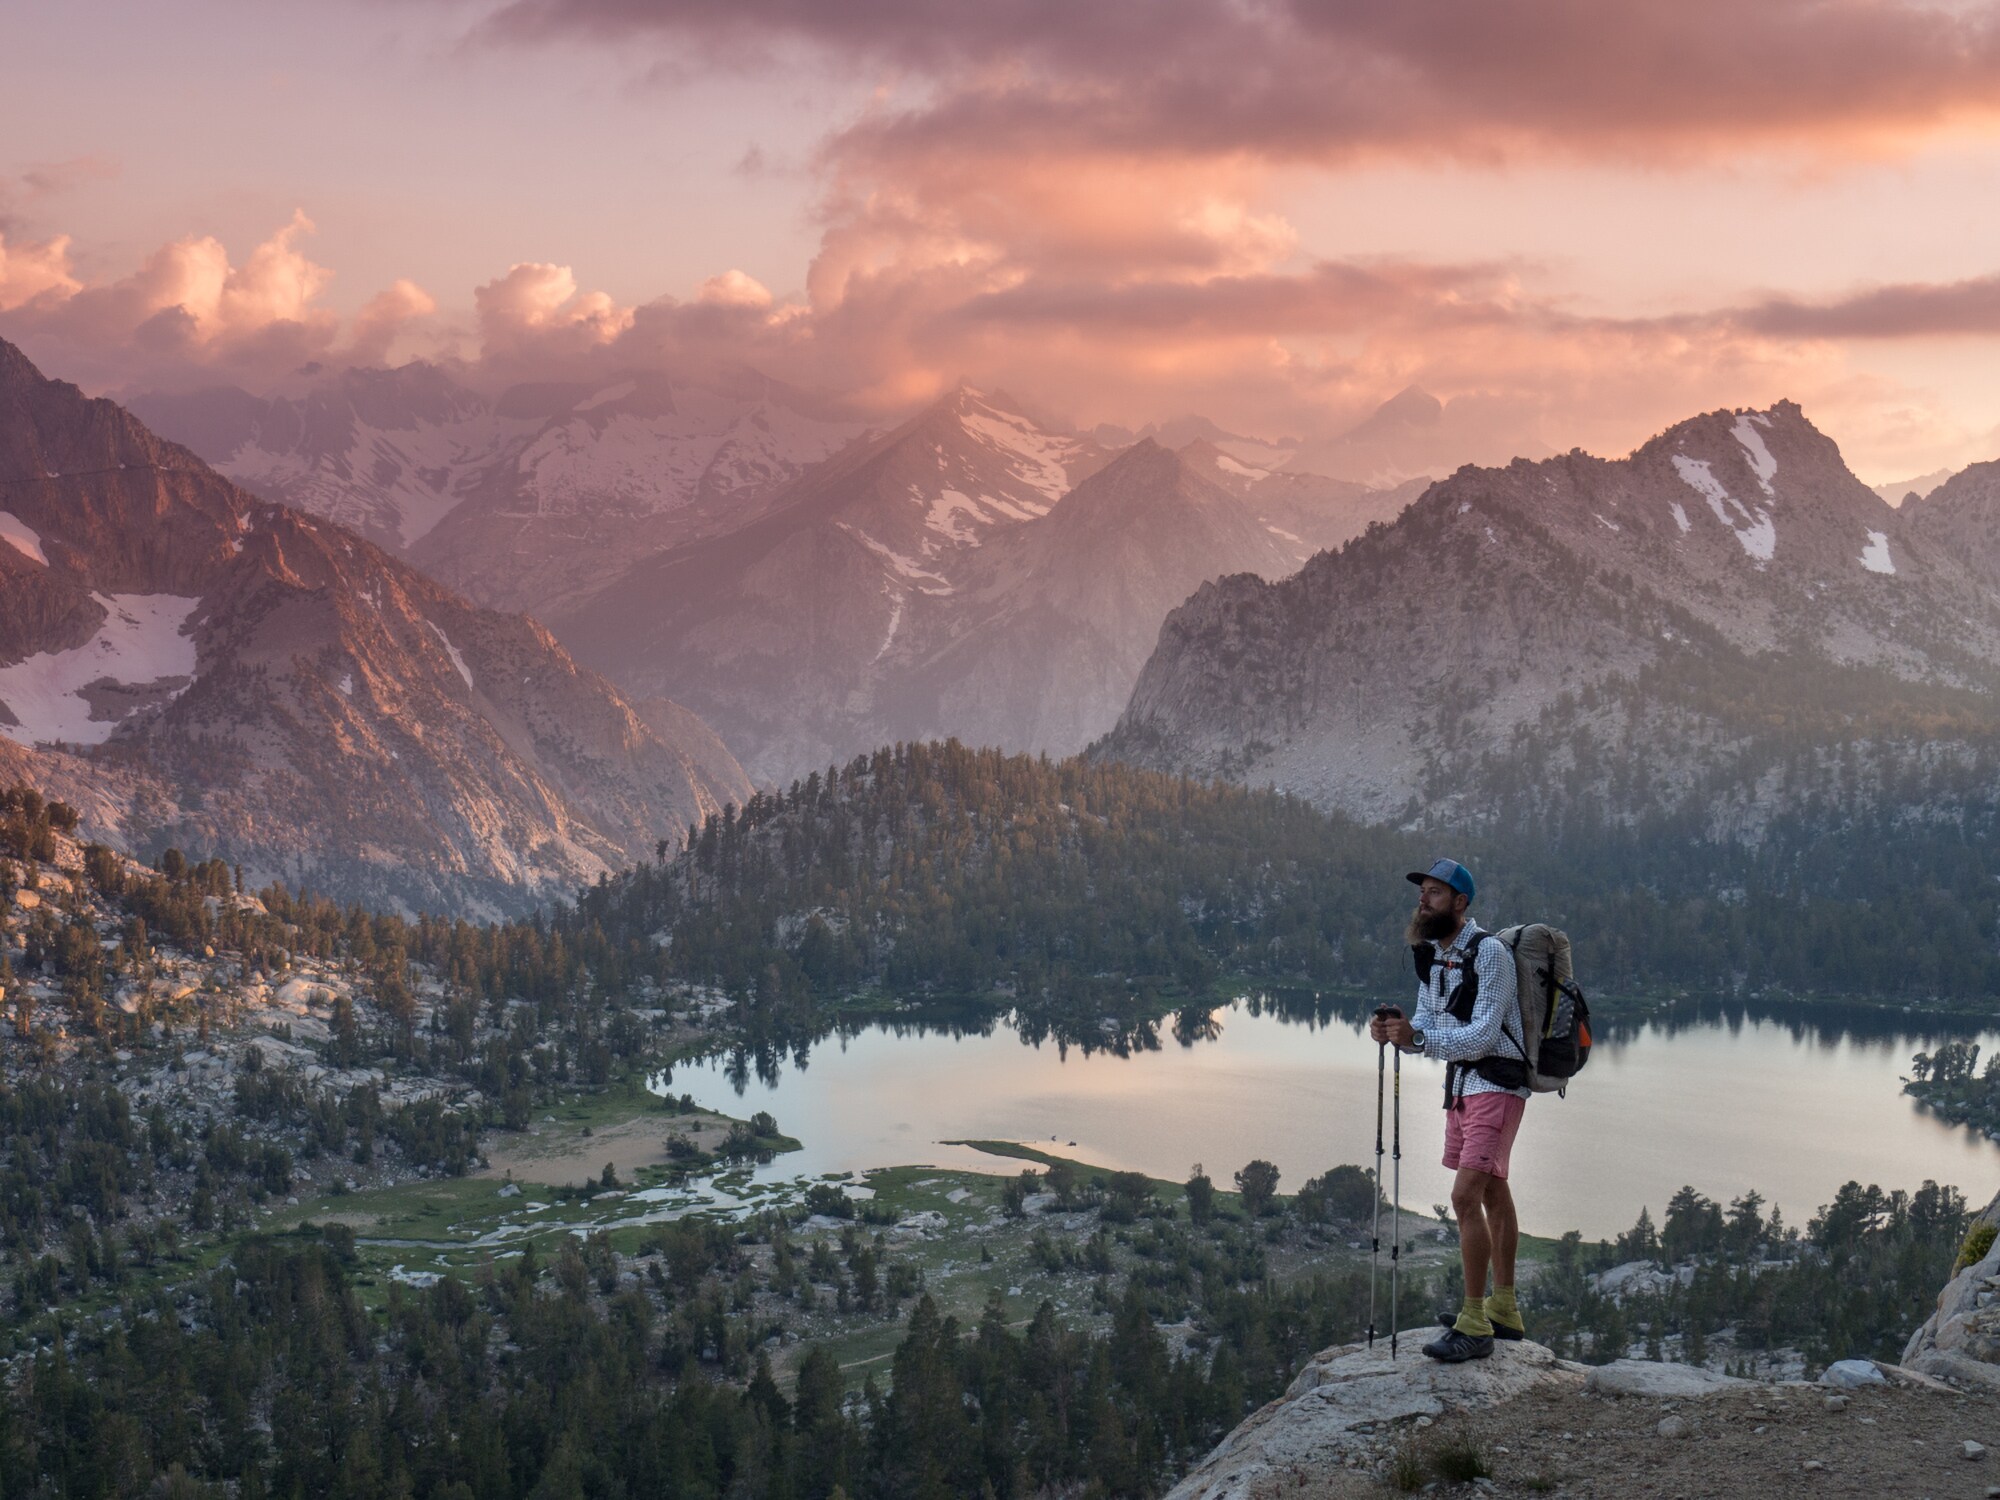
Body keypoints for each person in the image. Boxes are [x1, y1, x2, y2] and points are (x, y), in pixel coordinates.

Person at [1367, 857, 1529, 1362]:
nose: (1423, 900)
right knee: (1493, 1190)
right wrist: (1399, 1032)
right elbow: (1426, 1025)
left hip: (1497, 1086)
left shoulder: (1491, 954)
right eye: (1422, 893)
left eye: (1435, 894)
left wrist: (1421, 1038)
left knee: (1464, 1197)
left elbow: (1482, 1035)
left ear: (1461, 903)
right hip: (1461, 1087)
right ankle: (1505, 1308)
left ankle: (1475, 1323)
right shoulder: (1434, 957)